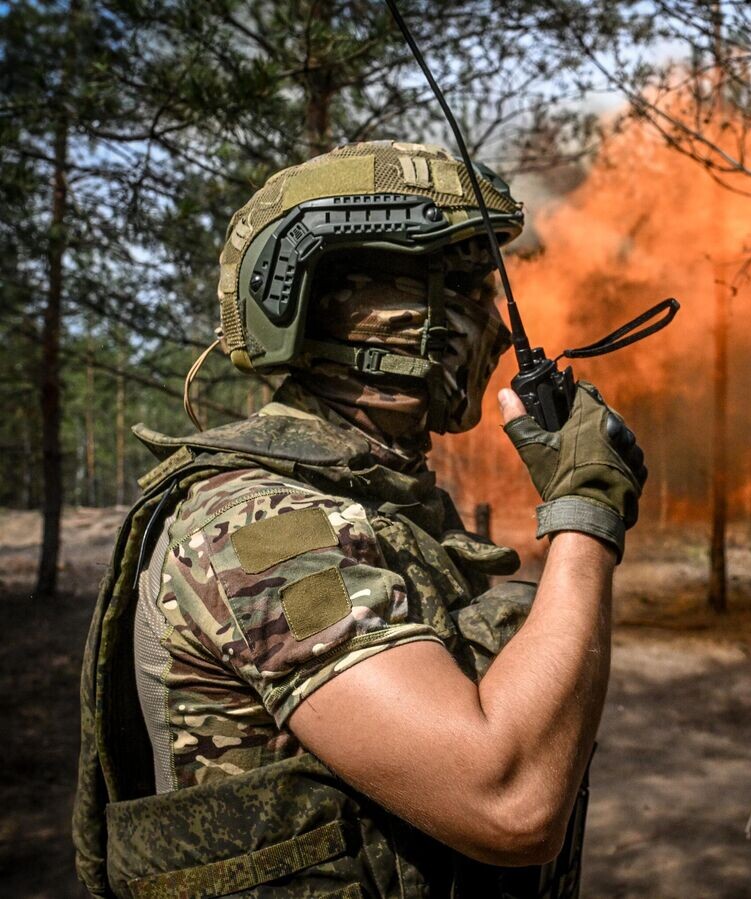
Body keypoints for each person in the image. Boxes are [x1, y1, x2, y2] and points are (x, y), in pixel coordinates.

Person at [73, 140, 647, 899]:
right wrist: (585, 514)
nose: (500, 330)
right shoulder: (264, 530)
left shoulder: (379, 504)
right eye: (472, 292)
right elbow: (508, 798)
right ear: (357, 311)